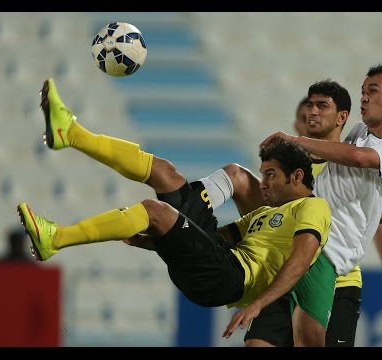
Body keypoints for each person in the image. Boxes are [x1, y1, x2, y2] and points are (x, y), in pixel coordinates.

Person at [17, 78, 336, 346]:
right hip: (217, 256)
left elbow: (300, 260)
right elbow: (220, 236)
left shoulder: (314, 207)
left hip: (227, 278)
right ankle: (70, 133)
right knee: (165, 173)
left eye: (270, 175)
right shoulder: (263, 215)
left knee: (155, 210)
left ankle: (56, 238)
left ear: (297, 177)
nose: (262, 183)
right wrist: (154, 242)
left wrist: (260, 304)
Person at [223, 64, 382, 340]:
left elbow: (358, 160)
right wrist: (381, 208)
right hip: (293, 257)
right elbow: (355, 182)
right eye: (362, 92)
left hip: (334, 266)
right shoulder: (358, 134)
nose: (364, 97)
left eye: (372, 91)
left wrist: (295, 140)